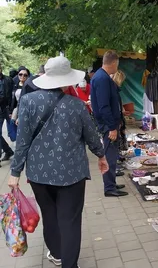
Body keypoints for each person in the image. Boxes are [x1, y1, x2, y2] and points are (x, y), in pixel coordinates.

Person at [7, 56, 109, 268]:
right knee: (70, 221)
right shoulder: (77, 105)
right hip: (72, 173)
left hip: (39, 174)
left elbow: (23, 140)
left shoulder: (28, 101)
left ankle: (56, 253)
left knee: (50, 216)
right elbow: (92, 135)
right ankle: (69, 265)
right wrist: (101, 155)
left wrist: (15, 172)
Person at [91, 51, 128, 197]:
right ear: (113, 63)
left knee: (112, 154)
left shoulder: (101, 77)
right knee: (110, 156)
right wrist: (112, 127)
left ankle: (111, 183)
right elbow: (104, 106)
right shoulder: (102, 79)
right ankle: (109, 188)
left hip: (109, 123)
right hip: (108, 125)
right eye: (117, 65)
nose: (116, 68)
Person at [111, 70, 129, 176]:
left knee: (116, 143)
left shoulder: (114, 90)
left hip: (117, 119)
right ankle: (114, 166)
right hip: (115, 121)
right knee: (114, 143)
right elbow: (115, 107)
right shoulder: (114, 90)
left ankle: (116, 162)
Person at [0, 65, 15, 165]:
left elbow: (13, 95)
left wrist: (13, 109)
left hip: (8, 109)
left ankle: (12, 152)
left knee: (15, 133)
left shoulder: (8, 80)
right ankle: (8, 151)